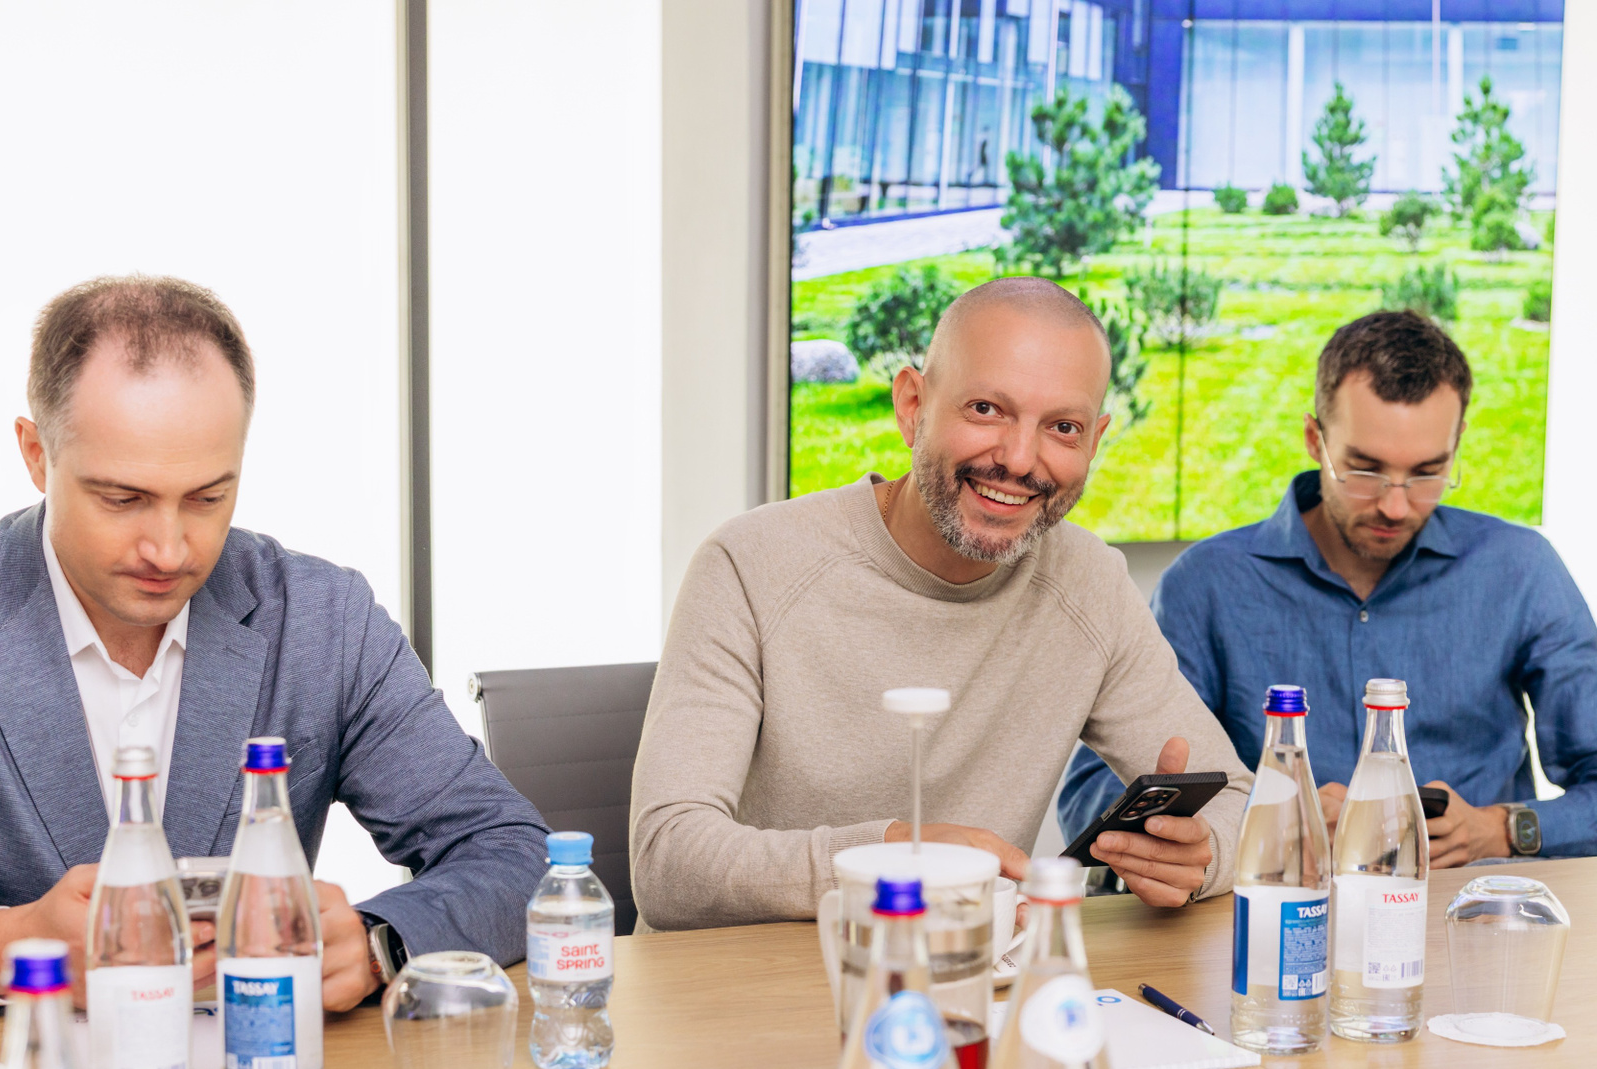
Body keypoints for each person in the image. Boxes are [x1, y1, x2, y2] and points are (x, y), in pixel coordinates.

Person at [0, 276, 549, 1020]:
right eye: (123, 498)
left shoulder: (324, 620)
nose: (169, 548)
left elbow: (521, 858)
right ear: (37, 454)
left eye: (207, 497)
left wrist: (381, 941)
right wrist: (5, 944)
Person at [629, 277, 1252, 930]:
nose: (1019, 459)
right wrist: (893, 859)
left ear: (1093, 442)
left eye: (1062, 428)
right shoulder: (749, 563)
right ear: (912, 406)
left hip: (967, 978)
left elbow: (1238, 800)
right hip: (745, 981)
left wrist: (1200, 855)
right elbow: (667, 861)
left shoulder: (1090, 585)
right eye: (986, 409)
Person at [1059, 309, 1597, 865]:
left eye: (1426, 472)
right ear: (1315, 440)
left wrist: (1505, 829)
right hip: (1272, 905)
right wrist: (1269, 823)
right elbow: (1089, 799)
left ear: (1457, 444)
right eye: (1365, 470)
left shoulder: (1521, 569)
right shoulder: (1206, 585)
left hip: (1471, 906)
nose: (1395, 505)